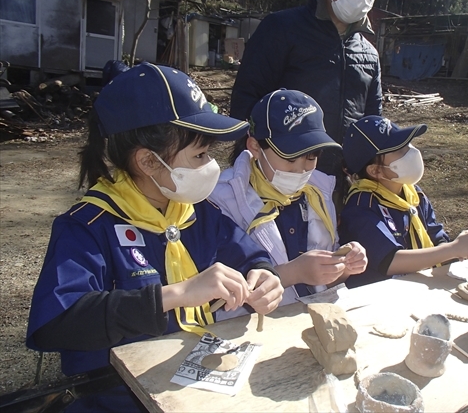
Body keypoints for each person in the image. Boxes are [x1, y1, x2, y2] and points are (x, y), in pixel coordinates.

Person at [26, 63, 284, 412]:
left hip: (190, 387)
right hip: (116, 397)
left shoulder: (195, 212)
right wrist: (175, 295)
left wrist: (264, 274)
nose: (211, 166)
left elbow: (248, 254)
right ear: (148, 161)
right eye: (200, 155)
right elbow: (58, 323)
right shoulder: (88, 226)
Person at [209, 89, 368, 308]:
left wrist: (344, 266)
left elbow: (327, 277)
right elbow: (218, 295)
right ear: (255, 147)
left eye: (311, 157)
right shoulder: (221, 199)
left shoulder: (318, 193)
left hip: (312, 317)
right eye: (290, 158)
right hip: (252, 327)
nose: (301, 169)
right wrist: (293, 273)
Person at [230, 0, 389, 177]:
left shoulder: (368, 53)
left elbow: (373, 121)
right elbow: (247, 99)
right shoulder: (281, 29)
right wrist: (257, 164)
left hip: (340, 181)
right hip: (281, 175)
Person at [339, 116, 468, 288]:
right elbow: (390, 261)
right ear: (375, 170)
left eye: (408, 144)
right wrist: (453, 249)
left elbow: (436, 236)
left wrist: (461, 249)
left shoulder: (413, 192)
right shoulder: (361, 207)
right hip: (382, 295)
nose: (411, 152)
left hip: (419, 285)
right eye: (399, 149)